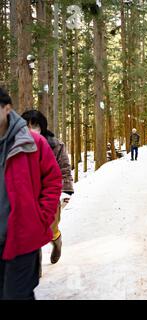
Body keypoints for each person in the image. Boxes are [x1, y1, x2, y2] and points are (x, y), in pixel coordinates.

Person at [0, 87, 62, 299]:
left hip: (23, 236)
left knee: (16, 295)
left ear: (7, 108)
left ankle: (55, 239)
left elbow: (55, 177)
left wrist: (39, 218)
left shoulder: (36, 143)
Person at [22, 110, 74, 265]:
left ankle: (56, 240)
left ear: (42, 127)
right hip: (26, 196)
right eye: (27, 125)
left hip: (49, 195)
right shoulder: (15, 144)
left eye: (35, 125)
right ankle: (34, 270)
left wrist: (65, 192)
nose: (31, 129)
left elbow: (64, 168)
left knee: (50, 229)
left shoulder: (55, 145)